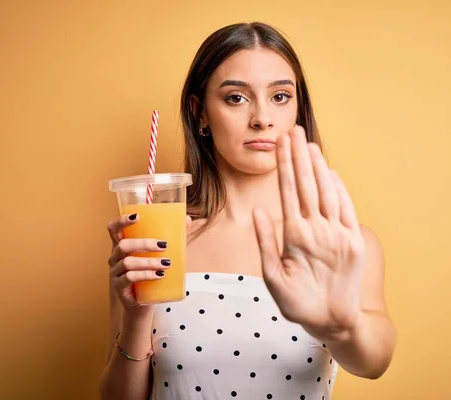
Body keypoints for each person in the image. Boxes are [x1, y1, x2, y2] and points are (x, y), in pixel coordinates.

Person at [100, 21, 396, 400]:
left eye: (280, 97)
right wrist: (138, 317)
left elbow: (375, 362)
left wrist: (342, 328)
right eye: (236, 98)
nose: (262, 118)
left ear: (297, 110)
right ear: (200, 113)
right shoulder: (154, 243)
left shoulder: (338, 242)